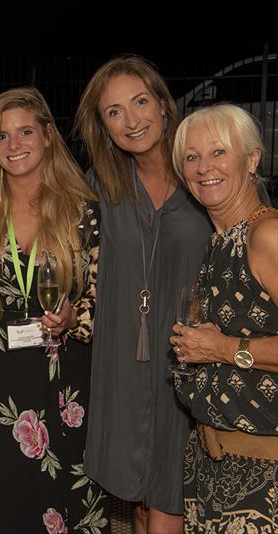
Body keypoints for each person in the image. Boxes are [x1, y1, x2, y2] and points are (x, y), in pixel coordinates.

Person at [74, 55, 212, 533]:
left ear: (163, 103)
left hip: (192, 363)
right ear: (102, 126)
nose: (132, 120)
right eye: (114, 112)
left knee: (171, 499)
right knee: (134, 498)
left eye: (139, 102)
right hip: (122, 368)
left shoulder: (204, 176)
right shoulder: (97, 189)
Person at [0, 87, 107, 533]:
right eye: (2, 137)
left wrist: (74, 316)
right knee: (2, 497)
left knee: (64, 490)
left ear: (46, 135)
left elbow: (105, 294)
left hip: (63, 379)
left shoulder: (84, 210)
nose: (15, 145)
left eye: (25, 132)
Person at [169, 104, 278, 532]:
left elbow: (229, 349)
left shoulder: (265, 234)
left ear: (252, 159)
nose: (203, 168)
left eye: (218, 152)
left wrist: (222, 348)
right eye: (191, 157)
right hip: (213, 465)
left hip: (263, 474)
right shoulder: (221, 242)